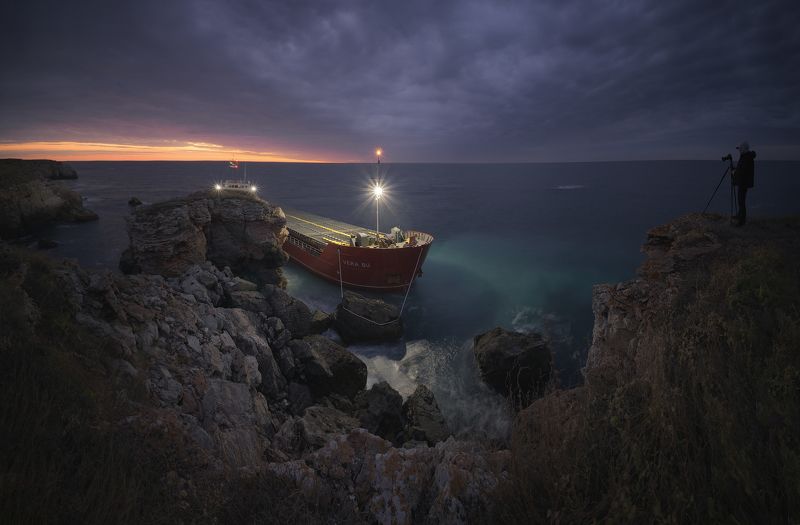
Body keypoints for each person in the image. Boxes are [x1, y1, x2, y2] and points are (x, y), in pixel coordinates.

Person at [732, 141, 756, 226]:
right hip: (744, 182)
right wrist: (735, 168)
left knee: (741, 201)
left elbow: (743, 170)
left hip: (743, 182)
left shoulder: (746, 157)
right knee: (741, 200)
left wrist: (735, 172)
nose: (739, 150)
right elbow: (742, 168)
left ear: (743, 149)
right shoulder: (746, 157)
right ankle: (740, 216)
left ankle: (741, 221)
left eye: (740, 149)